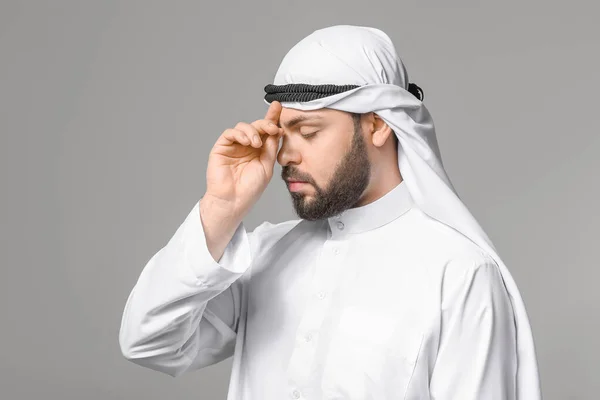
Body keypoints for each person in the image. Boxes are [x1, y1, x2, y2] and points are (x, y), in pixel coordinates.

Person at [119, 25, 542, 399]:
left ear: (378, 125)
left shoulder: (459, 274)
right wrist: (221, 208)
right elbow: (149, 342)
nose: (284, 153)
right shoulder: (264, 253)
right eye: (282, 133)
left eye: (309, 131)